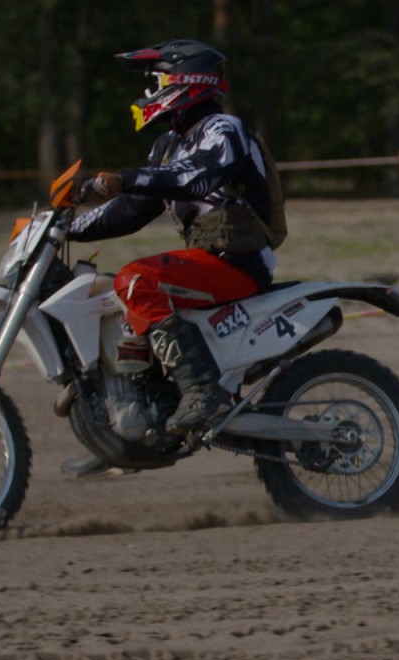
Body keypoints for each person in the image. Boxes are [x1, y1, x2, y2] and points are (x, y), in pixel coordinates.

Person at [63, 39, 285, 476]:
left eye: (156, 81)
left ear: (187, 81)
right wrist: (63, 227)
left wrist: (124, 178)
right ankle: (127, 430)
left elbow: (195, 179)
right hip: (208, 264)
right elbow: (132, 210)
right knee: (109, 304)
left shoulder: (224, 129)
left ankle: (203, 391)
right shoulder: (168, 145)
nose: (149, 91)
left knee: (136, 280)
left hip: (238, 262)